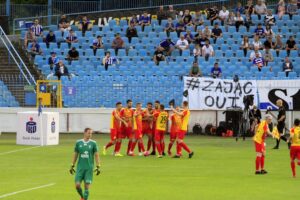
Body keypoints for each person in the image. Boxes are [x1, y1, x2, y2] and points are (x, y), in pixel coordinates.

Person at [69, 128, 101, 200]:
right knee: (77, 185)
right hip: (80, 168)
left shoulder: (93, 143)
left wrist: (98, 166)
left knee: (86, 188)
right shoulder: (78, 143)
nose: (90, 135)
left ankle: (84, 198)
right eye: (89, 133)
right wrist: (72, 165)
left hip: (89, 168)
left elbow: (96, 155)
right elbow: (75, 154)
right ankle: (82, 197)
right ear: (85, 133)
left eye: (91, 133)